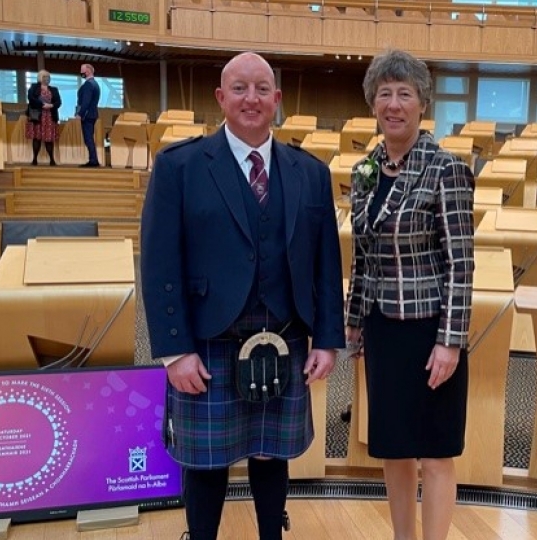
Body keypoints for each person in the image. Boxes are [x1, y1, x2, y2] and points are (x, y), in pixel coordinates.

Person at [140, 52, 344, 540]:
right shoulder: (180, 166)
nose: (250, 99)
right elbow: (159, 265)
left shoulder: (310, 172)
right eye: (239, 89)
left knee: (271, 452)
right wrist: (174, 350)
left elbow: (327, 264)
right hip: (208, 340)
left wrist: (327, 339)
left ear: (277, 99)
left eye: (261, 89)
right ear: (220, 98)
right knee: (204, 460)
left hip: (286, 335)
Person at [345, 49, 475, 540]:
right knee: (394, 450)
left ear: (422, 103)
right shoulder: (366, 171)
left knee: (436, 452)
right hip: (383, 329)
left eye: (404, 94)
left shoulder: (446, 170)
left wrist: (451, 341)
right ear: (373, 105)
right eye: (384, 94)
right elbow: (364, 255)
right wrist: (354, 322)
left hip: (431, 333)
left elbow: (461, 265)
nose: (393, 104)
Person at [25, 69, 61, 166]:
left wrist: (51, 105)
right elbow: (31, 99)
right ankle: (34, 160)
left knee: (49, 139)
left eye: (48, 77)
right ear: (40, 78)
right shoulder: (33, 87)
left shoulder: (54, 89)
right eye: (45, 77)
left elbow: (58, 102)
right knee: (37, 138)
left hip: (49, 117)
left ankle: (52, 160)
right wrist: (42, 105)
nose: (47, 79)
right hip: (38, 116)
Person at [75, 63, 101, 167]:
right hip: (92, 114)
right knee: (89, 137)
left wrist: (80, 114)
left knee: (88, 138)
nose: (81, 73)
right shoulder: (95, 84)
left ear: (89, 71)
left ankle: (93, 160)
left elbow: (86, 101)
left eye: (83, 71)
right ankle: (93, 159)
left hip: (87, 115)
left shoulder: (89, 84)